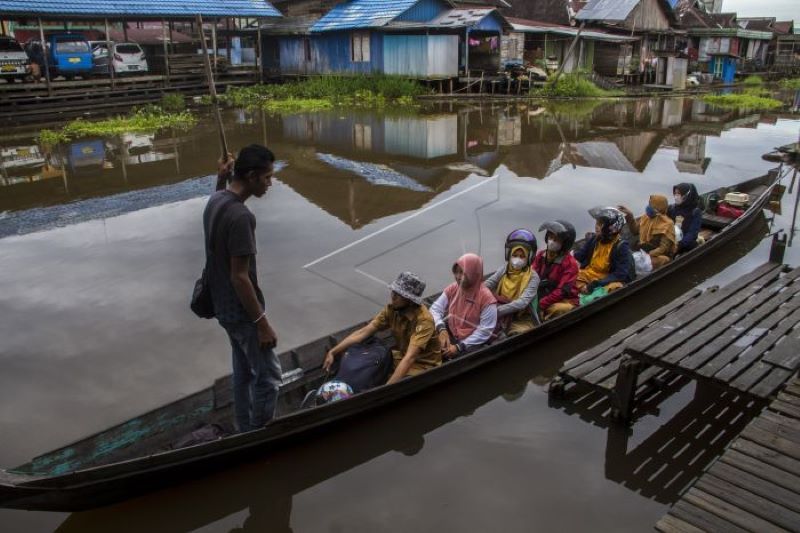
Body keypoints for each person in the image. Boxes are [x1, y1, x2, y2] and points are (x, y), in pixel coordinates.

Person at [203, 144, 281, 433]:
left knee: (243, 372)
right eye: (267, 178)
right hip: (242, 310)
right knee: (270, 375)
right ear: (250, 176)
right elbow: (240, 277)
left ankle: (244, 426)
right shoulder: (242, 218)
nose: (270, 184)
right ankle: (259, 432)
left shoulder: (217, 200)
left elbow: (219, 194)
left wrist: (220, 177)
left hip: (222, 307)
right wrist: (262, 324)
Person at [323, 272, 442, 384]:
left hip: (424, 365)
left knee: (384, 379)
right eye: (393, 292)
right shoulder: (391, 310)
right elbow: (363, 332)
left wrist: (386, 389)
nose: (393, 297)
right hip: (401, 356)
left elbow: (410, 358)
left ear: (410, 300)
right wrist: (333, 352)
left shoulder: (423, 320)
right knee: (367, 364)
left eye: (398, 294)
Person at [430, 253, 498, 358]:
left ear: (473, 273)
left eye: (462, 273)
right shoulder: (453, 288)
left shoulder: (486, 298)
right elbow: (434, 309)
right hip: (452, 334)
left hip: (472, 342)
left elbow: (485, 331)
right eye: (456, 272)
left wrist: (459, 347)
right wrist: (441, 328)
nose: (457, 277)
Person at [485, 229, 540, 335]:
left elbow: (522, 303)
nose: (517, 259)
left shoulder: (533, 277)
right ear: (509, 255)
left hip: (521, 319)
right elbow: (489, 283)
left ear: (529, 257)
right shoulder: (504, 268)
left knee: (514, 334)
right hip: (500, 315)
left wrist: (496, 311)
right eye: (514, 255)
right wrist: (472, 292)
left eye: (522, 256)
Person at [574, 207, 634, 294]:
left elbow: (620, 274)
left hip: (606, 279)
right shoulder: (594, 239)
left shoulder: (621, 246)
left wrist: (597, 284)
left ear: (611, 227)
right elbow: (579, 255)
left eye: (600, 224)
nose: (596, 227)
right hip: (589, 274)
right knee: (567, 277)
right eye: (596, 223)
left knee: (615, 287)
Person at [533, 220, 580, 320]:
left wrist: (541, 304)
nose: (552, 241)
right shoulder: (541, 255)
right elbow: (531, 275)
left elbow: (562, 291)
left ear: (565, 243)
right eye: (550, 237)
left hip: (565, 299)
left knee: (554, 309)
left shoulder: (570, 264)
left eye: (556, 239)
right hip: (545, 293)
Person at [618, 195, 677, 269]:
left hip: (659, 255)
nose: (648, 207)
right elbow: (635, 231)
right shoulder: (646, 217)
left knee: (650, 262)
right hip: (644, 249)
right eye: (649, 204)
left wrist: (647, 255)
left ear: (659, 208)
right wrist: (630, 215)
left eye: (651, 205)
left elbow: (663, 249)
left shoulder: (668, 224)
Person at [668, 183, 703, 254]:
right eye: (675, 193)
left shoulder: (695, 212)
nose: (676, 196)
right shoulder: (672, 208)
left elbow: (692, 233)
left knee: (691, 245)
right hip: (672, 238)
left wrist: (680, 244)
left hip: (686, 243)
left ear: (686, 195)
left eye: (679, 194)